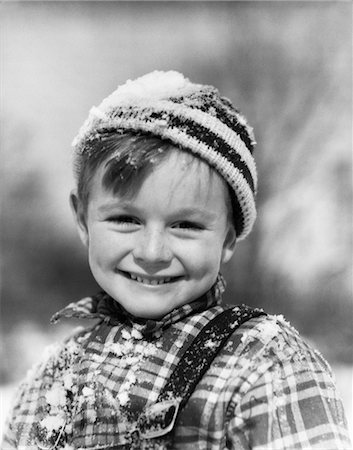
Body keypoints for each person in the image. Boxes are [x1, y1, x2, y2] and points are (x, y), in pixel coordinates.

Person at [2, 71, 351, 450]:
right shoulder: (54, 376)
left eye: (185, 225)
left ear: (228, 239)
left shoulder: (263, 363)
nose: (152, 253)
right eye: (125, 220)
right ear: (83, 220)